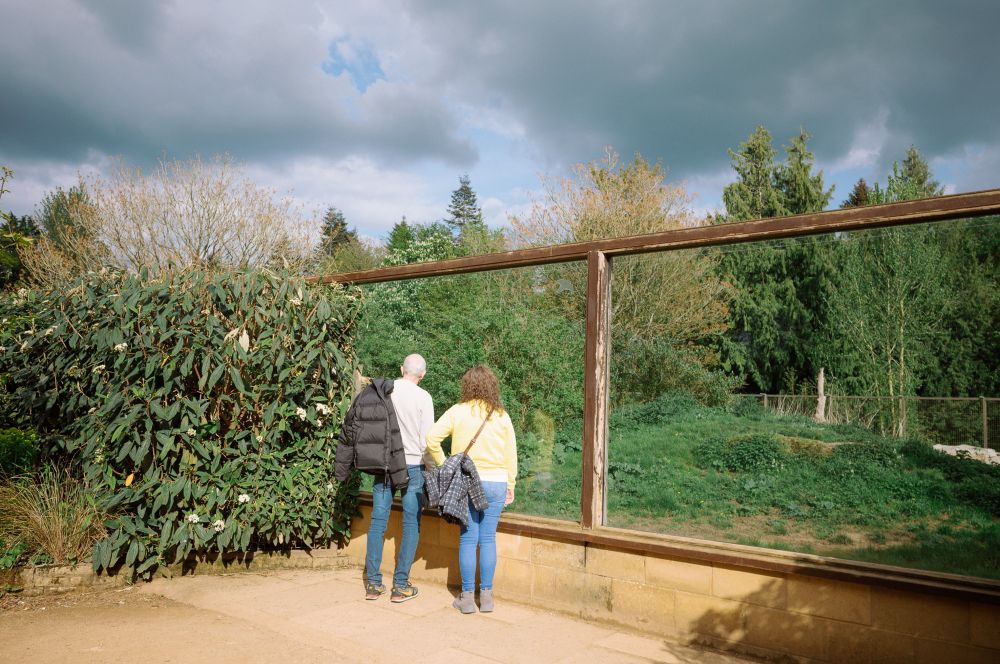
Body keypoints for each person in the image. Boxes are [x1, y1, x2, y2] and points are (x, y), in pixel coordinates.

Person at [334, 353, 434, 602]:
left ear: (402, 369)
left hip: (385, 466)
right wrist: (431, 468)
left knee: (378, 522)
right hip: (412, 467)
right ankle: (400, 586)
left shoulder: (384, 391)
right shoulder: (424, 398)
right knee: (411, 523)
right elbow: (427, 441)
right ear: (423, 374)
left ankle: (373, 584)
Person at [426, 364, 517, 614]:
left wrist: (447, 465)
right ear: (492, 386)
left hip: (466, 479)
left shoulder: (458, 411)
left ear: (467, 385)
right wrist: (511, 483)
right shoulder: (501, 415)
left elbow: (431, 438)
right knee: (488, 538)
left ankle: (467, 598)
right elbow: (511, 453)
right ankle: (486, 597)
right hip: (497, 481)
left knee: (469, 537)